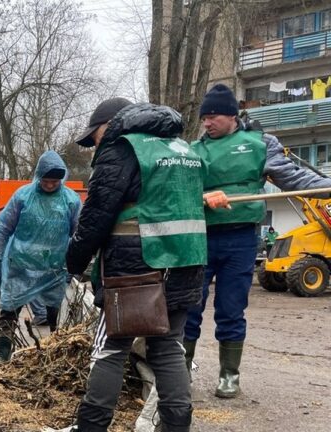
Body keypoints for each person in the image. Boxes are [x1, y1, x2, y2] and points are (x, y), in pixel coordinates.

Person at [65, 98, 232, 432]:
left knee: (111, 347)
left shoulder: (123, 150)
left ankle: (91, 427)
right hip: (186, 262)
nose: (93, 145)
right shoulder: (183, 150)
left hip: (134, 266)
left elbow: (95, 217)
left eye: (94, 136)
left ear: (112, 124)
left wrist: (73, 261)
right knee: (169, 346)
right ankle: (175, 427)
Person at [184, 83, 331, 399]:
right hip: (200, 238)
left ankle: (229, 375)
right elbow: (177, 193)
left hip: (241, 239)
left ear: (232, 116)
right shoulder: (193, 151)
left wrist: (328, 187)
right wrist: (202, 196)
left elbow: (296, 179)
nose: (207, 123)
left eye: (213, 117)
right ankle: (180, 370)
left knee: (231, 308)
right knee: (189, 306)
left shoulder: (259, 144)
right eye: (204, 118)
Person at [0, 150, 81, 362]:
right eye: (46, 181)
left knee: (54, 317)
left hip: (53, 269)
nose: (50, 185)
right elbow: (2, 229)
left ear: (62, 179)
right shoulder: (23, 196)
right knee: (9, 312)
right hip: (20, 266)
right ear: (39, 177)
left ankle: (55, 359)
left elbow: (78, 235)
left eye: (55, 182)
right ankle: (2, 359)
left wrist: (75, 265)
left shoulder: (71, 201)